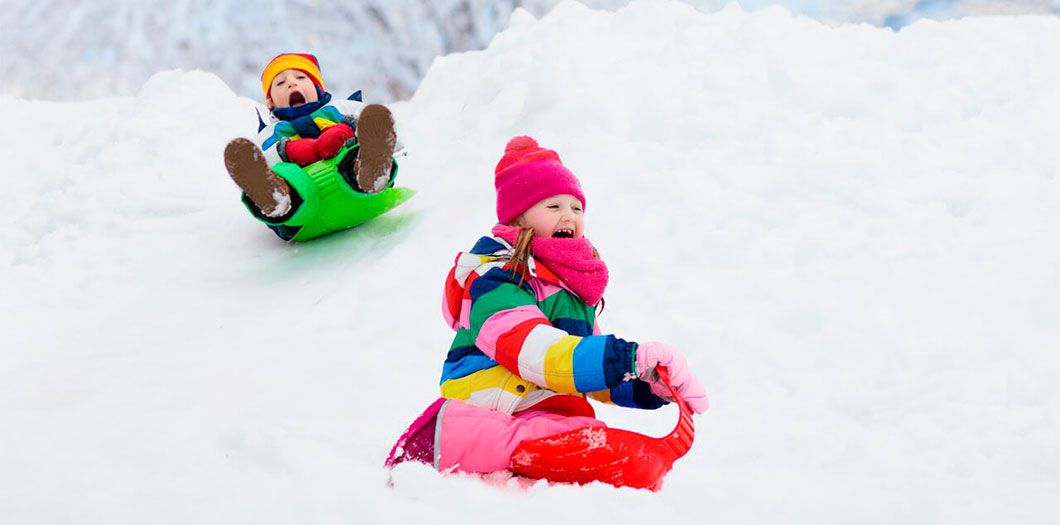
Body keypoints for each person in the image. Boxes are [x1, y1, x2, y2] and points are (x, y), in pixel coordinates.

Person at [386, 136, 708, 474]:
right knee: (575, 437)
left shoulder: (571, 287)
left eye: (577, 208)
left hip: (542, 404)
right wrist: (624, 356)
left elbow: (584, 371)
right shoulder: (496, 277)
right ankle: (444, 434)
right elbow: (531, 349)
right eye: (553, 207)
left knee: (580, 434)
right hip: (494, 397)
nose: (569, 215)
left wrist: (646, 380)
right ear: (518, 220)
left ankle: (551, 449)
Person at [223, 53, 409, 241]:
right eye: (280, 83)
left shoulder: (341, 109)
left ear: (318, 87)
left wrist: (348, 128)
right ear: (270, 102)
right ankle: (277, 198)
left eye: (301, 77)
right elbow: (253, 171)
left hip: (355, 183)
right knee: (286, 174)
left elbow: (391, 135)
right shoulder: (272, 132)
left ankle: (370, 172)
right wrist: (289, 151)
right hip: (300, 213)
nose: (291, 84)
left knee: (354, 152)